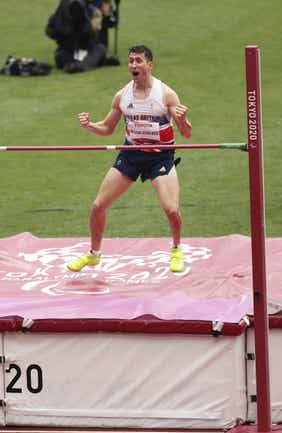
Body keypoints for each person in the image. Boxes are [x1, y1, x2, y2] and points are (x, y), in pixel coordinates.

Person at [66, 45, 192, 273]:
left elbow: (186, 134)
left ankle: (176, 249)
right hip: (131, 154)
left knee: (171, 210)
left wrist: (182, 120)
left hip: (160, 157)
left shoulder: (165, 94)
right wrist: (88, 125)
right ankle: (94, 255)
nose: (133, 65)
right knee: (98, 206)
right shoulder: (122, 96)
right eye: (131, 61)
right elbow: (106, 128)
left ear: (149, 65)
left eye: (138, 61)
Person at [45, 0, 110, 73]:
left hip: (86, 49)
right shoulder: (62, 10)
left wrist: (86, 28)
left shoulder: (93, 12)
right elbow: (50, 31)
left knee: (101, 49)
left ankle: (77, 65)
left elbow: (92, 36)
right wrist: (63, 31)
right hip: (68, 50)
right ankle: (85, 64)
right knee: (60, 56)